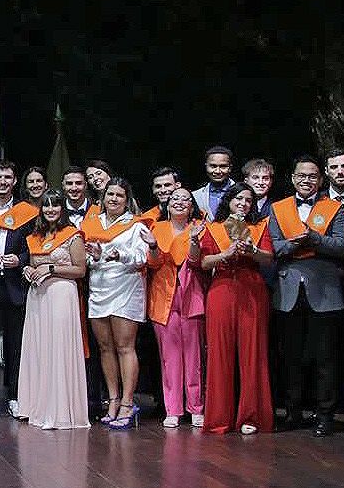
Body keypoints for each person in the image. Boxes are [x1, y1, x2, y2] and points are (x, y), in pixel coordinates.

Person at [268, 156, 344, 436]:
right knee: (290, 356)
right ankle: (292, 412)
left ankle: (325, 414)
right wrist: (295, 245)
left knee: (325, 357)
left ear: (321, 179)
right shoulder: (279, 208)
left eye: (313, 176)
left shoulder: (333, 208)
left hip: (324, 291)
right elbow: (274, 247)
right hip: (288, 290)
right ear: (292, 178)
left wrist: (314, 239)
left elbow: (341, 246)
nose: (307, 180)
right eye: (301, 176)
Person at [199, 183, 274, 434]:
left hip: (251, 288)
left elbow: (268, 258)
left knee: (252, 353)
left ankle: (251, 416)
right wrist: (225, 254)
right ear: (228, 201)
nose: (243, 203)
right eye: (238, 198)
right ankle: (220, 417)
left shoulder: (258, 227)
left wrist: (252, 250)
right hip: (221, 289)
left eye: (248, 200)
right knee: (219, 353)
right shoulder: (214, 228)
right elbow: (203, 261)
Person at [83, 180, 153, 428]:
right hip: (99, 288)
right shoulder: (92, 222)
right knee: (105, 347)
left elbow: (143, 258)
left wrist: (118, 254)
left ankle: (127, 401)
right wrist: (95, 256)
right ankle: (112, 399)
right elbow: (87, 261)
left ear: (127, 199)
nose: (113, 198)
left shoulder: (136, 225)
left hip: (126, 287)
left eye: (119, 195)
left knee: (125, 347)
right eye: (110, 194)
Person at [18, 192, 90, 429]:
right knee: (39, 348)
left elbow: (80, 270)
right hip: (38, 296)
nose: (50, 209)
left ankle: (59, 411)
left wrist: (52, 267)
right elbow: (31, 263)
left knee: (58, 348)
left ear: (62, 208)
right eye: (46, 205)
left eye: (55, 205)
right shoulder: (35, 236)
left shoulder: (73, 235)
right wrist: (27, 270)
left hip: (61, 293)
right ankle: (36, 406)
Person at [0, 161, 35, 419]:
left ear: (14, 181)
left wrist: (20, 260)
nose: (2, 181)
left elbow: (34, 246)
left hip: (15, 287)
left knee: (15, 345)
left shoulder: (27, 212)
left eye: (8, 177)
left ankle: (14, 395)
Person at [148, 187, 206, 429]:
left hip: (191, 294)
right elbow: (152, 263)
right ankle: (173, 408)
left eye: (185, 199)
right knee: (169, 358)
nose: (180, 202)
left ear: (192, 206)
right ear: (167, 205)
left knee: (194, 357)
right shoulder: (157, 229)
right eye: (175, 199)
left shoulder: (200, 228)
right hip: (163, 296)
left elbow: (194, 260)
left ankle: (197, 408)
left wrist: (193, 239)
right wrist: (152, 246)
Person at [191, 145, 234, 221]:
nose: (217, 171)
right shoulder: (196, 196)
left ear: (230, 168)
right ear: (206, 166)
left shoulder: (242, 193)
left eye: (223, 166)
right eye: (213, 166)